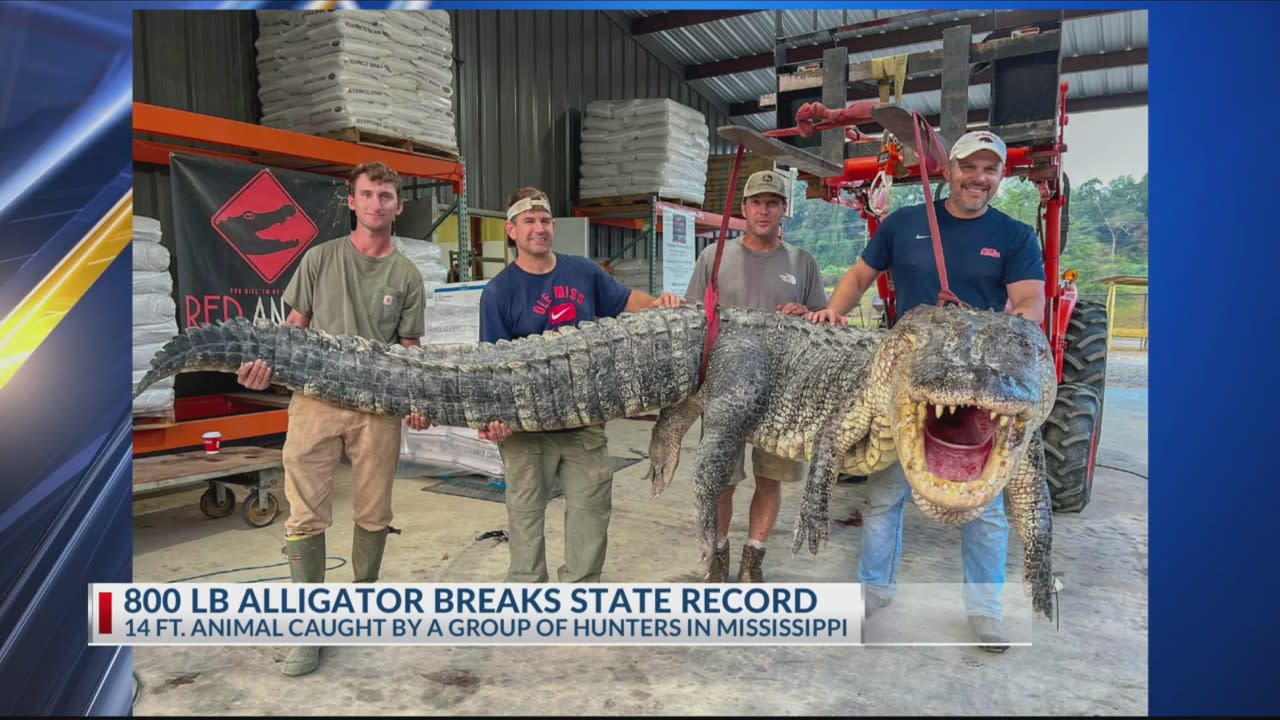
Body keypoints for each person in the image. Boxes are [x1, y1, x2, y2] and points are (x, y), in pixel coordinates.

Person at [801, 130, 1046, 651]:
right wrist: (833, 312)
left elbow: (1028, 305)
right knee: (885, 493)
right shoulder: (905, 224)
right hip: (909, 384)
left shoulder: (1016, 235)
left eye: (991, 171)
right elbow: (860, 275)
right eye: (970, 167)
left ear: (1000, 178)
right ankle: (873, 593)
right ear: (948, 169)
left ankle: (985, 610)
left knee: (987, 506)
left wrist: (991, 336)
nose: (979, 179)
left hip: (979, 386)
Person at [235, 161, 430, 676]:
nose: (376, 204)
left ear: (398, 206)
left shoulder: (406, 275)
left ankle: (361, 608)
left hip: (377, 409)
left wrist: (416, 399)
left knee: (373, 514)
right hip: (315, 403)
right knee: (304, 515)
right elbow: (290, 334)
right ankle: (310, 628)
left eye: (386, 196)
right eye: (367, 194)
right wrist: (264, 370)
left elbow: (409, 350)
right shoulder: (319, 260)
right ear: (351, 201)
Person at [477, 187, 682, 584]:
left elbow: (625, 301)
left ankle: (580, 594)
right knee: (524, 514)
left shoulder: (583, 272)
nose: (539, 228)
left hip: (583, 422)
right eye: (529, 222)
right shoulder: (498, 293)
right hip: (526, 429)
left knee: (591, 509)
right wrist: (493, 419)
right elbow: (492, 368)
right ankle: (527, 593)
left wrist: (661, 304)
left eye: (545, 221)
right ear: (512, 230)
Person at [684, 170, 828, 583]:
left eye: (773, 203)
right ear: (743, 208)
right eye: (756, 202)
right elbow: (694, 319)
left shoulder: (802, 263)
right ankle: (719, 554)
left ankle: (754, 556)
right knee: (721, 480)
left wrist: (806, 317)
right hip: (724, 389)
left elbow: (821, 324)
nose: (764, 210)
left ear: (784, 210)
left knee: (771, 478)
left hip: (782, 393)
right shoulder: (715, 257)